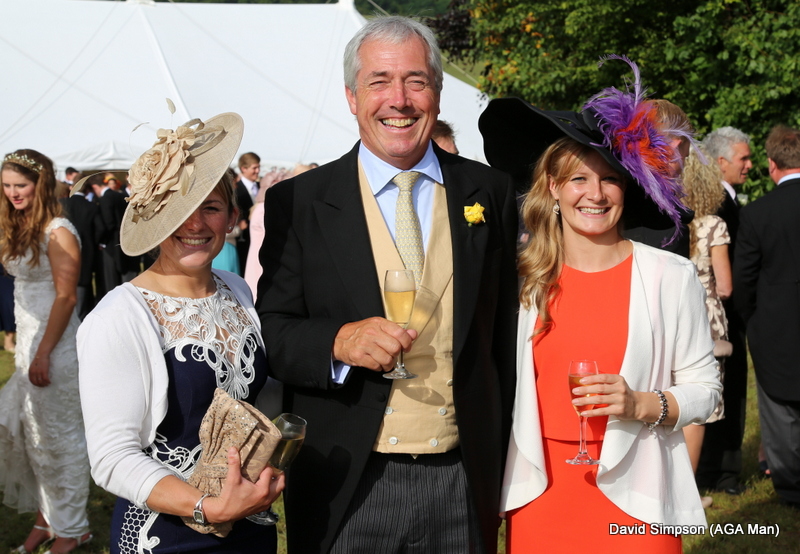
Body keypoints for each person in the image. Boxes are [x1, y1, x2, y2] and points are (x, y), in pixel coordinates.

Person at [257, 15, 518, 554]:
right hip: (347, 480)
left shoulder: (490, 192)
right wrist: (336, 342)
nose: (398, 99)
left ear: (439, 95)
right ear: (352, 97)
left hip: (464, 477)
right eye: (379, 81)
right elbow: (273, 334)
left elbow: (505, 338)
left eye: (416, 81)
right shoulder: (300, 202)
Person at [479, 63, 721, 552]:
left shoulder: (668, 276)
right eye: (577, 180)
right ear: (552, 187)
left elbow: (707, 392)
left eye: (609, 180)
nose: (595, 194)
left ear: (626, 189)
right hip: (541, 492)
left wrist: (641, 404)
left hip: (639, 493)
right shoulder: (523, 280)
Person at [77, 112, 285, 554]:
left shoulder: (237, 289)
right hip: (166, 533)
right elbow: (112, 459)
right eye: (178, 210)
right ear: (154, 219)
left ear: (231, 218)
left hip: (251, 523)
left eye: (209, 207)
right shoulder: (120, 316)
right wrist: (207, 508)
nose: (194, 225)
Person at [0, 149, 92, 554]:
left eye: (20, 185)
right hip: (27, 344)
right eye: (5, 186)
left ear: (40, 183)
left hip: (54, 349)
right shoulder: (17, 223)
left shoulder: (59, 231)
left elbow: (66, 298)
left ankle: (73, 531)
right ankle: (47, 519)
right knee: (33, 438)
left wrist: (42, 354)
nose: (12, 193)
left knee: (61, 440)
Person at [734, 124, 800, 509]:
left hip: (774, 326)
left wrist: (751, 317)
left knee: (779, 411)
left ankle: (791, 487)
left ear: (772, 165)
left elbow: (744, 278)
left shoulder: (756, 214)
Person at [696, 126, 752, 495]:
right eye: (743, 159)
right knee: (724, 390)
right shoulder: (718, 207)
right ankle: (722, 471)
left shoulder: (713, 202)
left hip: (710, 312)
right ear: (721, 162)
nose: (749, 165)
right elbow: (726, 277)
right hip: (722, 313)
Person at [682, 146, 733, 509]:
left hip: (673, 312)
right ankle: (687, 494)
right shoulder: (713, 225)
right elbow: (726, 286)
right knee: (699, 406)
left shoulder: (667, 221)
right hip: (706, 317)